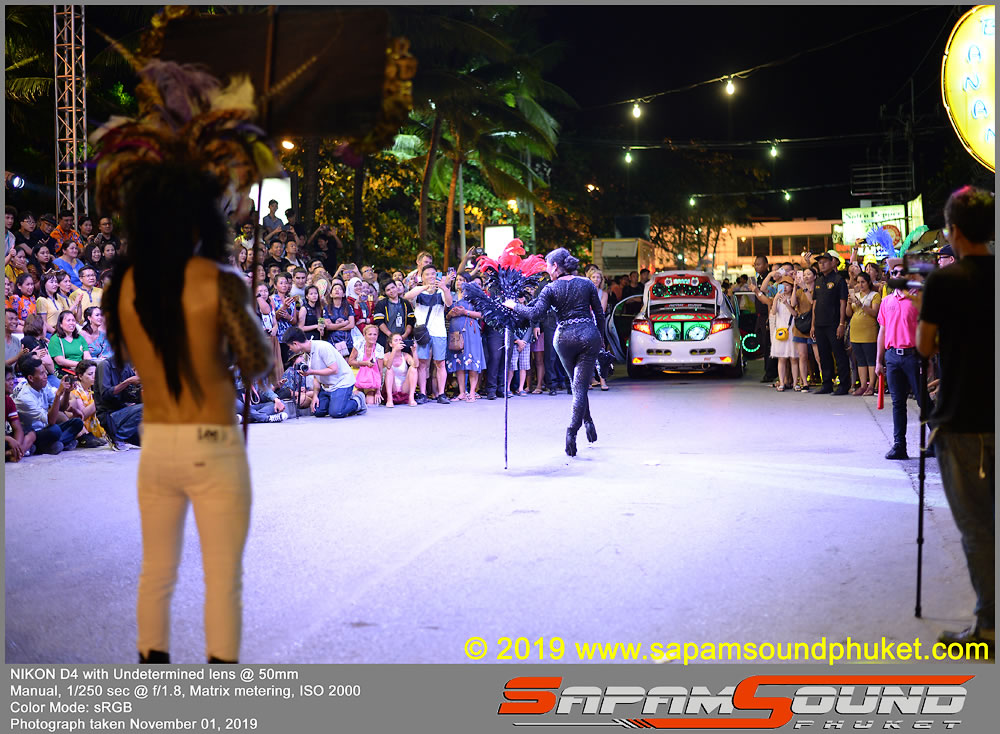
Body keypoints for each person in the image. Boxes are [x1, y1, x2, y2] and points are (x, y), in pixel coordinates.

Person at [916, 185, 994, 653]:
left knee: (978, 528)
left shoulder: (944, 283)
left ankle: (989, 626)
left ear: (955, 231)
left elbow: (924, 346)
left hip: (963, 420)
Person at [504, 248, 605, 457]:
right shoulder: (586, 284)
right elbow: (600, 315)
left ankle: (584, 423)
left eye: (548, 266)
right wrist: (601, 341)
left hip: (565, 338)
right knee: (579, 385)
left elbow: (535, 313)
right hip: (588, 335)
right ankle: (575, 429)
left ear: (556, 267)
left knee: (577, 384)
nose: (547, 270)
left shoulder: (550, 288)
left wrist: (514, 306)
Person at [875, 258, 922, 460]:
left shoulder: (918, 299)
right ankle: (899, 446)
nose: (898, 276)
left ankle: (939, 443)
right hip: (893, 356)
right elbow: (882, 331)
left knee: (923, 401)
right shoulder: (886, 301)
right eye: (895, 273)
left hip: (914, 356)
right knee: (898, 403)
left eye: (902, 273)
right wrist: (879, 360)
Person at [12, 356, 95, 453]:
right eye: (42, 373)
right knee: (54, 430)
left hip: (46, 427)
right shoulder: (25, 398)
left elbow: (61, 408)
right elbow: (51, 421)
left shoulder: (44, 385)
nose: (46, 375)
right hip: (34, 433)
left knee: (77, 423)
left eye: (45, 372)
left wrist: (67, 392)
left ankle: (54, 445)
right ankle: (44, 447)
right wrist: (58, 394)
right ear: (31, 378)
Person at [283, 327, 365, 418]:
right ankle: (336, 401)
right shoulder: (306, 353)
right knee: (317, 411)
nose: (290, 349)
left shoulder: (322, 347)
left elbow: (334, 369)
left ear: (295, 343)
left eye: (289, 346)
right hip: (326, 386)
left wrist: (312, 371)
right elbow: (316, 377)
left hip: (341, 382)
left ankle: (358, 401)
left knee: (337, 412)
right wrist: (315, 395)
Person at [404, 265, 454, 404]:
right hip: (422, 332)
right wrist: (425, 287)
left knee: (440, 363)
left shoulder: (441, 291)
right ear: (422, 277)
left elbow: (449, 303)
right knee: (422, 363)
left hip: (439, 332)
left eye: (433, 274)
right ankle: (422, 393)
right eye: (427, 274)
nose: (431, 276)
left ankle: (441, 394)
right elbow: (407, 296)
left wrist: (444, 288)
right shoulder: (419, 291)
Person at [810, 250, 850, 395]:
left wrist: (841, 324)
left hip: (834, 323)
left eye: (825, 262)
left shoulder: (839, 280)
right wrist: (813, 325)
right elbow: (814, 304)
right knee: (823, 355)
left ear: (832, 262)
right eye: (820, 263)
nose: (822, 265)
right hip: (819, 323)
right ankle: (826, 384)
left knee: (839, 354)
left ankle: (844, 385)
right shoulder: (818, 281)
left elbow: (843, 302)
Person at [445, 272, 485, 401]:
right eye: (457, 280)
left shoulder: (474, 296)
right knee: (458, 362)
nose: (459, 282)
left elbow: (482, 314)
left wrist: (465, 312)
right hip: (455, 331)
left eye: (462, 280)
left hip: (470, 331)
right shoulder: (451, 296)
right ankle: (462, 392)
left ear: (468, 282)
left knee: (471, 361)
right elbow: (446, 315)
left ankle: (472, 392)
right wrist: (450, 314)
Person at [94, 358, 144, 448]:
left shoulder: (126, 367)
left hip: (124, 414)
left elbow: (134, 393)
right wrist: (127, 382)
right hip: (109, 415)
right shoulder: (105, 365)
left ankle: (121, 435)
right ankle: (116, 436)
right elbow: (105, 394)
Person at [847, 271, 881, 396]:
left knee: (870, 359)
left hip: (869, 331)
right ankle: (862, 386)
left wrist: (861, 305)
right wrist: (849, 303)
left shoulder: (874, 295)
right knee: (860, 360)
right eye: (858, 282)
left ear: (868, 282)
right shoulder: (855, 295)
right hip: (855, 331)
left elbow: (874, 312)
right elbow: (848, 313)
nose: (860, 285)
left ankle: (871, 385)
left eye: (863, 282)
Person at [68, 359, 108, 445]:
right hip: (83, 428)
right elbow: (83, 415)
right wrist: (99, 399)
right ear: (80, 376)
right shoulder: (74, 390)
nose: (94, 376)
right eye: (90, 374)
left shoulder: (91, 390)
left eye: (96, 373)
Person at [371, 280, 415, 349]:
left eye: (393, 287)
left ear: (396, 287)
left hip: (404, 339)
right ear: (384, 292)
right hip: (387, 340)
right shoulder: (381, 304)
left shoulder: (406, 303)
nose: (391, 291)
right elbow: (379, 322)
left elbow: (410, 321)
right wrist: (392, 336)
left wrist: (405, 335)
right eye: (388, 290)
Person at [348, 323, 385, 405]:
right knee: (357, 399)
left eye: (375, 334)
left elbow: (380, 371)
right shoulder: (358, 345)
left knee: (370, 403)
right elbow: (350, 361)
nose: (372, 337)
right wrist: (365, 363)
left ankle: (368, 393)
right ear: (364, 335)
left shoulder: (379, 349)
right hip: (357, 374)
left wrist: (378, 391)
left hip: (371, 377)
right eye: (370, 334)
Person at [5, 365, 36, 461]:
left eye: (12, 379)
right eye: (8, 380)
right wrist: (8, 439)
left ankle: (15, 453)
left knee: (31, 433)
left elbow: (18, 428)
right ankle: (9, 454)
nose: (12, 383)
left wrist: (16, 445)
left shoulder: (8, 400)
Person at [48, 310, 91, 377]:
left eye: (73, 320)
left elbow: (87, 356)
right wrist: (80, 365)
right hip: (64, 372)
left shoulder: (80, 338)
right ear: (60, 324)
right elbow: (60, 361)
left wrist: (88, 364)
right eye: (68, 320)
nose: (72, 323)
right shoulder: (55, 339)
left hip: (80, 370)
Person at [382, 333, 419, 407]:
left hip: (404, 387)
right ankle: (390, 399)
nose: (399, 342)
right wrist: (394, 350)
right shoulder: (386, 356)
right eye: (396, 340)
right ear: (390, 344)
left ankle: (411, 398)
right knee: (389, 370)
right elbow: (388, 365)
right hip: (392, 387)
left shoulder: (405, 355)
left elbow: (416, 365)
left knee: (413, 369)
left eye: (400, 340)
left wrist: (414, 351)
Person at [588, 268, 609, 391]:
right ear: (589, 279)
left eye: (598, 277)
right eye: (593, 277)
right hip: (586, 324)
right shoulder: (585, 291)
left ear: (601, 280)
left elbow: (601, 310)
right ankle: (589, 379)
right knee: (586, 353)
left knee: (600, 352)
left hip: (598, 324)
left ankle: (602, 380)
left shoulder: (603, 294)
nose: (596, 280)